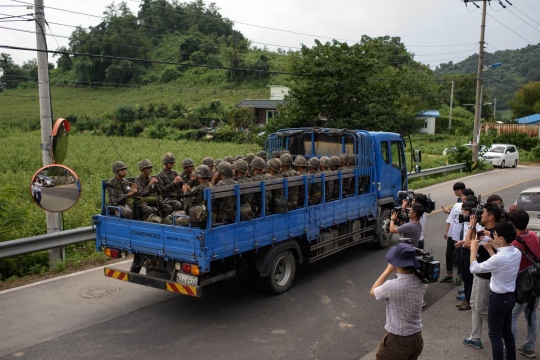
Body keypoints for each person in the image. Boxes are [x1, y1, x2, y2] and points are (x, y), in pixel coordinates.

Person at [470, 222, 521, 360]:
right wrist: (491, 241)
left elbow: (474, 268)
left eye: (496, 235)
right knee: (506, 332)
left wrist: (473, 249)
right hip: (510, 296)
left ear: (502, 238)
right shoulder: (516, 252)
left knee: (495, 335)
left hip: (498, 299)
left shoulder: (499, 258)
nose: (494, 236)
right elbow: (501, 251)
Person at [370, 243, 427, 360]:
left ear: (396, 263)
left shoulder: (392, 286)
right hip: (416, 338)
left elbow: (373, 291)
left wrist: (388, 270)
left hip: (398, 340)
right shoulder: (422, 282)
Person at [462, 202, 502, 350]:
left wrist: (472, 226)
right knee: (474, 305)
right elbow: (471, 243)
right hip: (479, 273)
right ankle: (475, 337)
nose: (480, 215)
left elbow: (467, 244)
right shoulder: (485, 230)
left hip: (486, 276)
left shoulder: (496, 233)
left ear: (491, 216)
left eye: (483, 213)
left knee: (481, 308)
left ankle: (501, 334)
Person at [509, 209, 540, 358]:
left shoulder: (514, 243)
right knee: (532, 314)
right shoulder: (534, 235)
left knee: (512, 316)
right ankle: (529, 347)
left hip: (521, 284)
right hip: (535, 281)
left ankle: (509, 349)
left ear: (511, 223)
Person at [441, 188, 474, 284]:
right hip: (452, 234)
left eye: (464, 196)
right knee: (448, 254)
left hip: (462, 237)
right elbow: (450, 219)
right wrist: (447, 231)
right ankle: (449, 274)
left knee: (460, 257)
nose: (462, 198)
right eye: (462, 196)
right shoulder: (457, 205)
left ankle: (459, 276)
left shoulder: (471, 209)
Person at [454, 198, 480, 311]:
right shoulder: (466, 220)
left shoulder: (476, 223)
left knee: (469, 279)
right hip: (464, 251)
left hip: (470, 251)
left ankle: (470, 301)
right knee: (464, 277)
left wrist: (462, 242)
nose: (461, 211)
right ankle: (467, 298)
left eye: (463, 209)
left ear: (469, 212)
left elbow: (474, 239)